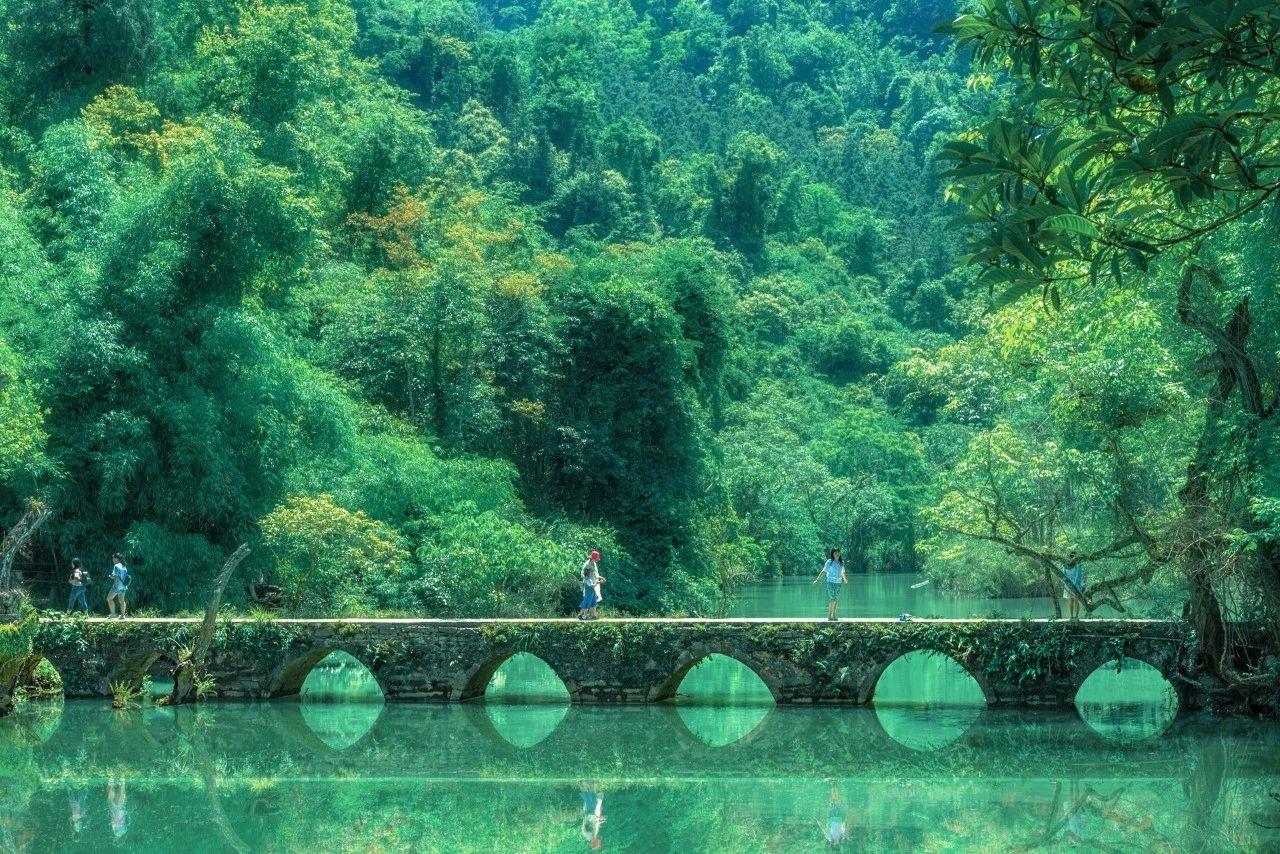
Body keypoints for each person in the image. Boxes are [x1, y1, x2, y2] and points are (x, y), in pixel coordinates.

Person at [812, 548, 848, 621]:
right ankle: (829, 614)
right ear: (833, 554)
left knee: (836, 599)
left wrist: (845, 579)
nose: (837, 554)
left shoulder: (842, 562)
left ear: (840, 553)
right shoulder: (829, 562)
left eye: (838, 552)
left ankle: (834, 614)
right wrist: (817, 580)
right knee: (833, 598)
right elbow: (824, 571)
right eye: (835, 553)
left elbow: (842, 572)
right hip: (830, 582)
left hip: (838, 583)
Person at [579, 551, 605, 620]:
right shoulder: (587, 564)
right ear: (592, 558)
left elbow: (596, 573)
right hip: (589, 584)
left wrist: (600, 578)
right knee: (587, 600)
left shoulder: (594, 563)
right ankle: (583, 615)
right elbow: (583, 574)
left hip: (594, 583)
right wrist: (590, 581)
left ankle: (593, 615)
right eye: (595, 558)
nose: (596, 560)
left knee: (594, 600)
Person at [578, 784, 605, 849]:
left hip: (590, 810)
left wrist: (596, 818)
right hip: (594, 811)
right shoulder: (594, 835)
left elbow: (587, 822)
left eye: (598, 844)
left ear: (594, 842)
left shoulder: (588, 834)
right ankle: (591, 780)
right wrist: (600, 820)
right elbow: (595, 824)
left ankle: (582, 781)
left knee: (588, 794)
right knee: (593, 794)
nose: (600, 842)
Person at [107, 553, 129, 620]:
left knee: (109, 598)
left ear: (117, 558)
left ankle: (113, 614)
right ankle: (122, 616)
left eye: (113, 558)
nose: (113, 559)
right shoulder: (124, 566)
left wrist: (111, 577)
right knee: (122, 601)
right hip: (124, 586)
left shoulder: (116, 566)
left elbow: (116, 576)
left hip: (117, 586)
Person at [1063, 551, 1084, 621]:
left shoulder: (1077, 565)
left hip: (1073, 584)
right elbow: (1064, 575)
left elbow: (1078, 576)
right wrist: (1071, 583)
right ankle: (1073, 616)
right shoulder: (1065, 565)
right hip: (1070, 584)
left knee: (1074, 601)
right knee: (1072, 601)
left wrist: (1073, 584)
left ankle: (1075, 616)